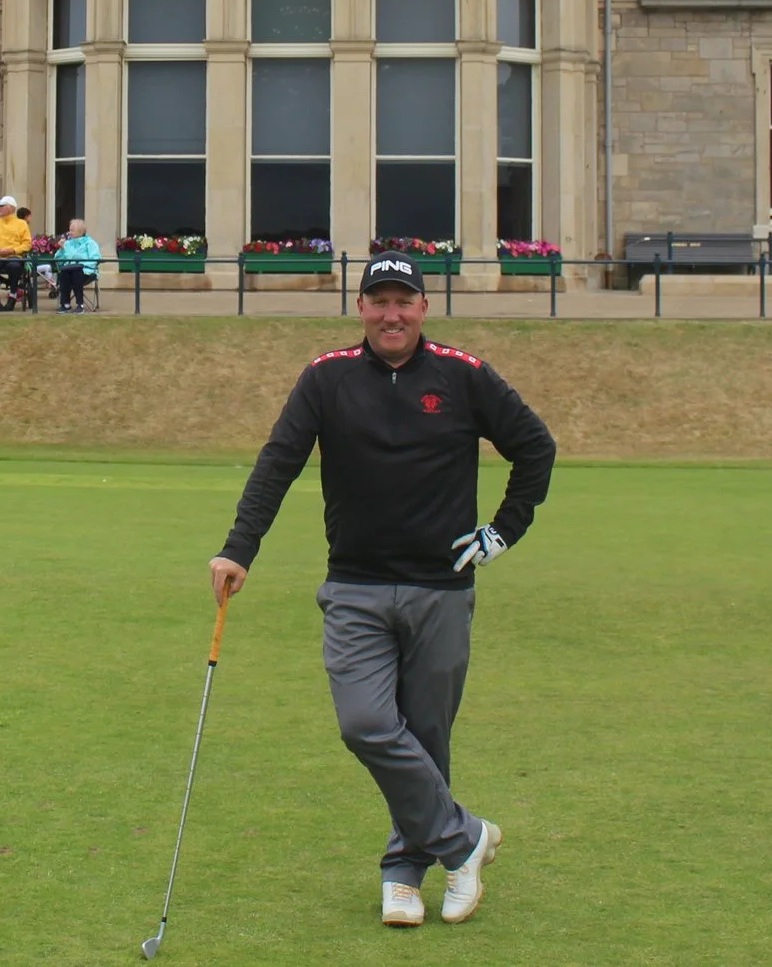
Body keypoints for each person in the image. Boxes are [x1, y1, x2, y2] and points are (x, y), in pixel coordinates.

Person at [211, 253, 556, 929]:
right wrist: (239, 548)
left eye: (404, 300)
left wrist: (502, 532)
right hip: (356, 588)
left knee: (427, 737)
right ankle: (464, 838)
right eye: (379, 300)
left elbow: (535, 446)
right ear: (361, 307)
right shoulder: (327, 377)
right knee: (365, 723)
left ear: (424, 307)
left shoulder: (463, 374)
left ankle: (404, 873)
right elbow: (278, 461)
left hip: (441, 590)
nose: (391, 313)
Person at [0, 196, 33, 310]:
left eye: (2, 206)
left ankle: (13, 295)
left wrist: (13, 250)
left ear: (10, 208)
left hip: (14, 255)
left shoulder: (22, 224)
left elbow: (27, 244)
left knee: (14, 266)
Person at [53, 217, 102, 312]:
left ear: (80, 231)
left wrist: (81, 265)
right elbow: (58, 260)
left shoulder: (90, 243)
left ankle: (80, 305)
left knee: (76, 271)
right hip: (68, 270)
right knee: (64, 273)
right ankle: (65, 304)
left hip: (86, 271)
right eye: (70, 230)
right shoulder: (66, 243)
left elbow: (95, 259)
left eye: (72, 230)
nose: (69, 232)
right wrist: (61, 249)